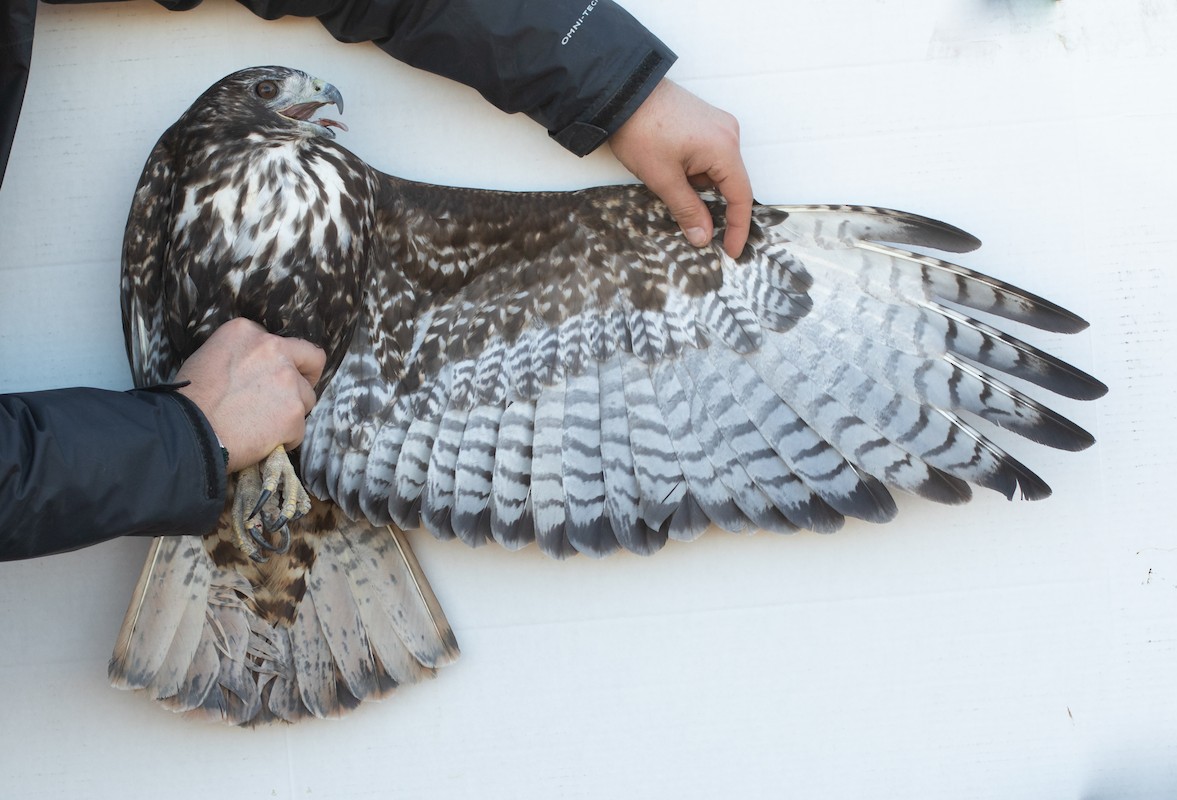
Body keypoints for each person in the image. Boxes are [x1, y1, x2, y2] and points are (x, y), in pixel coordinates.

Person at [0, 0, 754, 559]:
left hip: (267, 466)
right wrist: (183, 439)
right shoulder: (177, 171)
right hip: (170, 479)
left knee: (690, 248)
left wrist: (610, 82)